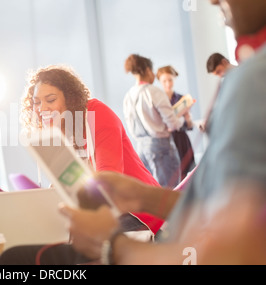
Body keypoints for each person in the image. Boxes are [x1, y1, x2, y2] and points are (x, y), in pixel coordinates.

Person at [58, 0, 266, 265]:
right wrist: (143, 196)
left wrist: (112, 245)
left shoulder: (254, 78)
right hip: (162, 146)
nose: (213, 1)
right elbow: (214, 207)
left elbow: (232, 246)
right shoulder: (249, 76)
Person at [0, 65, 164, 265]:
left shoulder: (96, 113)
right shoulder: (59, 131)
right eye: (36, 103)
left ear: (70, 98)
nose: (41, 109)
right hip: (101, 211)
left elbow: (108, 181)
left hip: (136, 212)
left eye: (50, 100)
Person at [123, 54, 184, 188]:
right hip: (160, 147)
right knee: (169, 192)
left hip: (141, 149)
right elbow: (173, 123)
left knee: (153, 193)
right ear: (147, 71)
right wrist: (182, 119)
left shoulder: (128, 96)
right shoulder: (154, 92)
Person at [156, 65, 196, 181]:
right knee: (173, 176)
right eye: (164, 81)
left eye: (170, 80)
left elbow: (189, 125)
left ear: (174, 79)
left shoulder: (182, 98)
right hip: (167, 140)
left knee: (189, 174)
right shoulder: (158, 100)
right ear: (159, 81)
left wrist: (188, 119)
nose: (168, 83)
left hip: (182, 139)